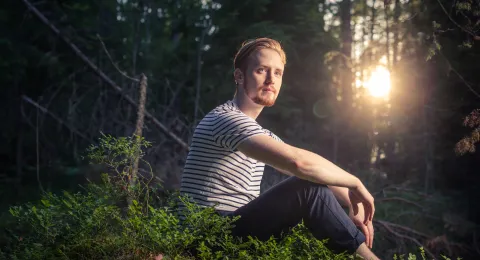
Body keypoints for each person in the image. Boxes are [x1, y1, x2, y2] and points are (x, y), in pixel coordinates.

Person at [179, 37, 379, 259]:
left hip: (227, 235)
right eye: (261, 70)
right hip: (204, 239)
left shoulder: (260, 135)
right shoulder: (226, 119)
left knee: (313, 186)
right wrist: (355, 183)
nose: (270, 80)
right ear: (239, 76)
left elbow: (314, 171)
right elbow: (298, 163)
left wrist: (353, 204)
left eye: (277, 73)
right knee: (308, 190)